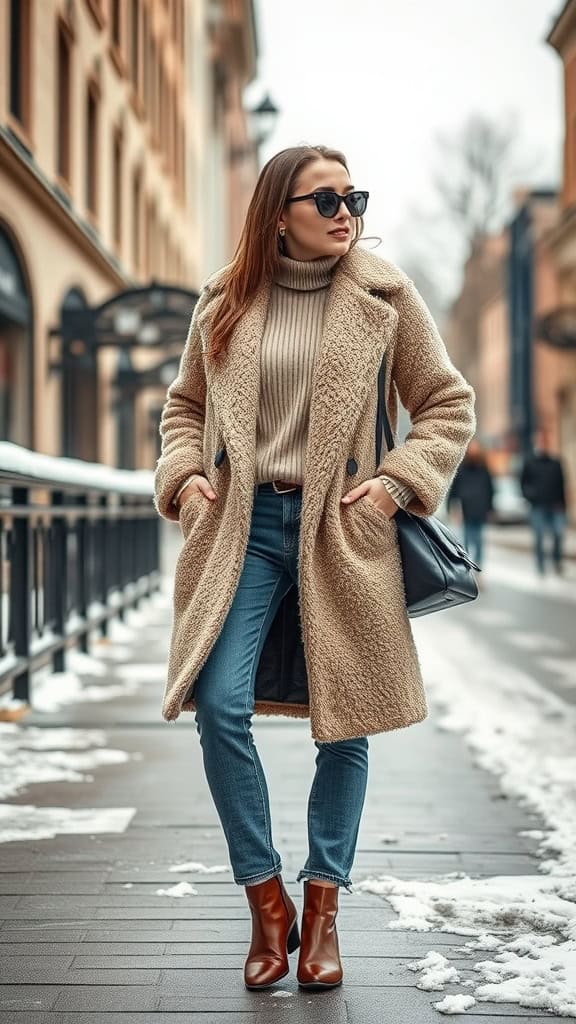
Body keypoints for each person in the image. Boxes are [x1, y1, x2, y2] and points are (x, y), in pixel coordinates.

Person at [153, 145, 476, 992]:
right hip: (244, 527)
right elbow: (184, 406)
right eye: (324, 197)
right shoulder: (224, 300)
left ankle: (324, 907)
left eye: (353, 196)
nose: (344, 211)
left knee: (347, 718)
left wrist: (397, 485)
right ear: (278, 212)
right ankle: (267, 902)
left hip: (343, 526)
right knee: (218, 705)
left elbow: (446, 403)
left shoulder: (385, 294)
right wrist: (186, 479)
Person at [520, 428, 567, 575]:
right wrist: (530, 496)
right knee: (539, 536)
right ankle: (540, 566)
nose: (544, 444)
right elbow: (523, 483)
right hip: (538, 506)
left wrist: (563, 505)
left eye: (546, 441)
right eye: (541, 441)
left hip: (556, 506)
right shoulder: (530, 462)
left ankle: (557, 561)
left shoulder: (556, 463)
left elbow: (562, 484)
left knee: (559, 534)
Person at [447, 439, 494, 570]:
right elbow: (454, 490)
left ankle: (478, 568)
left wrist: (490, 508)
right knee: (466, 540)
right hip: (466, 510)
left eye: (476, 448)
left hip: (480, 510)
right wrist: (451, 508)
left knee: (479, 541)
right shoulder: (461, 469)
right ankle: (467, 568)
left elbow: (490, 489)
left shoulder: (484, 469)